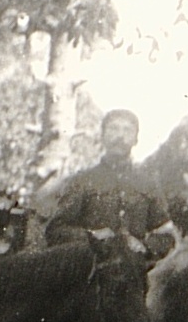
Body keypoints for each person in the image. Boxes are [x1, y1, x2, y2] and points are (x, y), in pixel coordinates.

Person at [45, 108, 177, 257]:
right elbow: (55, 230)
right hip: (92, 266)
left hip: (135, 266)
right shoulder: (83, 180)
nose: (120, 136)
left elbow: (166, 234)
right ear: (102, 136)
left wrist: (144, 247)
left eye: (127, 130)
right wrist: (91, 236)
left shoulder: (147, 183)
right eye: (114, 128)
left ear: (136, 139)